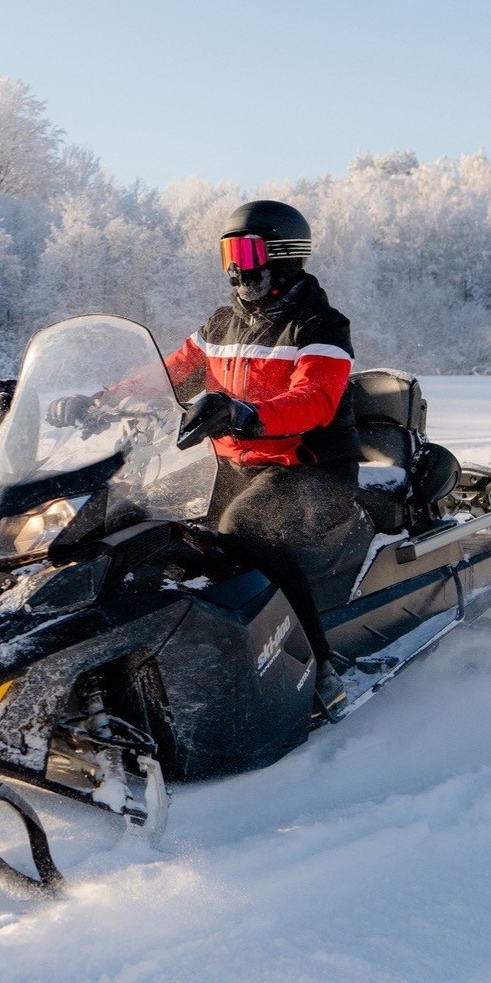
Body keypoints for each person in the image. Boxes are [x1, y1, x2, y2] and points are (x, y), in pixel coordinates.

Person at [165, 199, 371, 707]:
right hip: (234, 467)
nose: (236, 269)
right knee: (161, 525)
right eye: (228, 255)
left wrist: (246, 413)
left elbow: (314, 399)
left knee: (245, 528)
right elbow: (167, 374)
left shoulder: (319, 324)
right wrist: (95, 399)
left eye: (246, 253)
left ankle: (318, 667)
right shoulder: (220, 325)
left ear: (283, 255)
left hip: (312, 470)